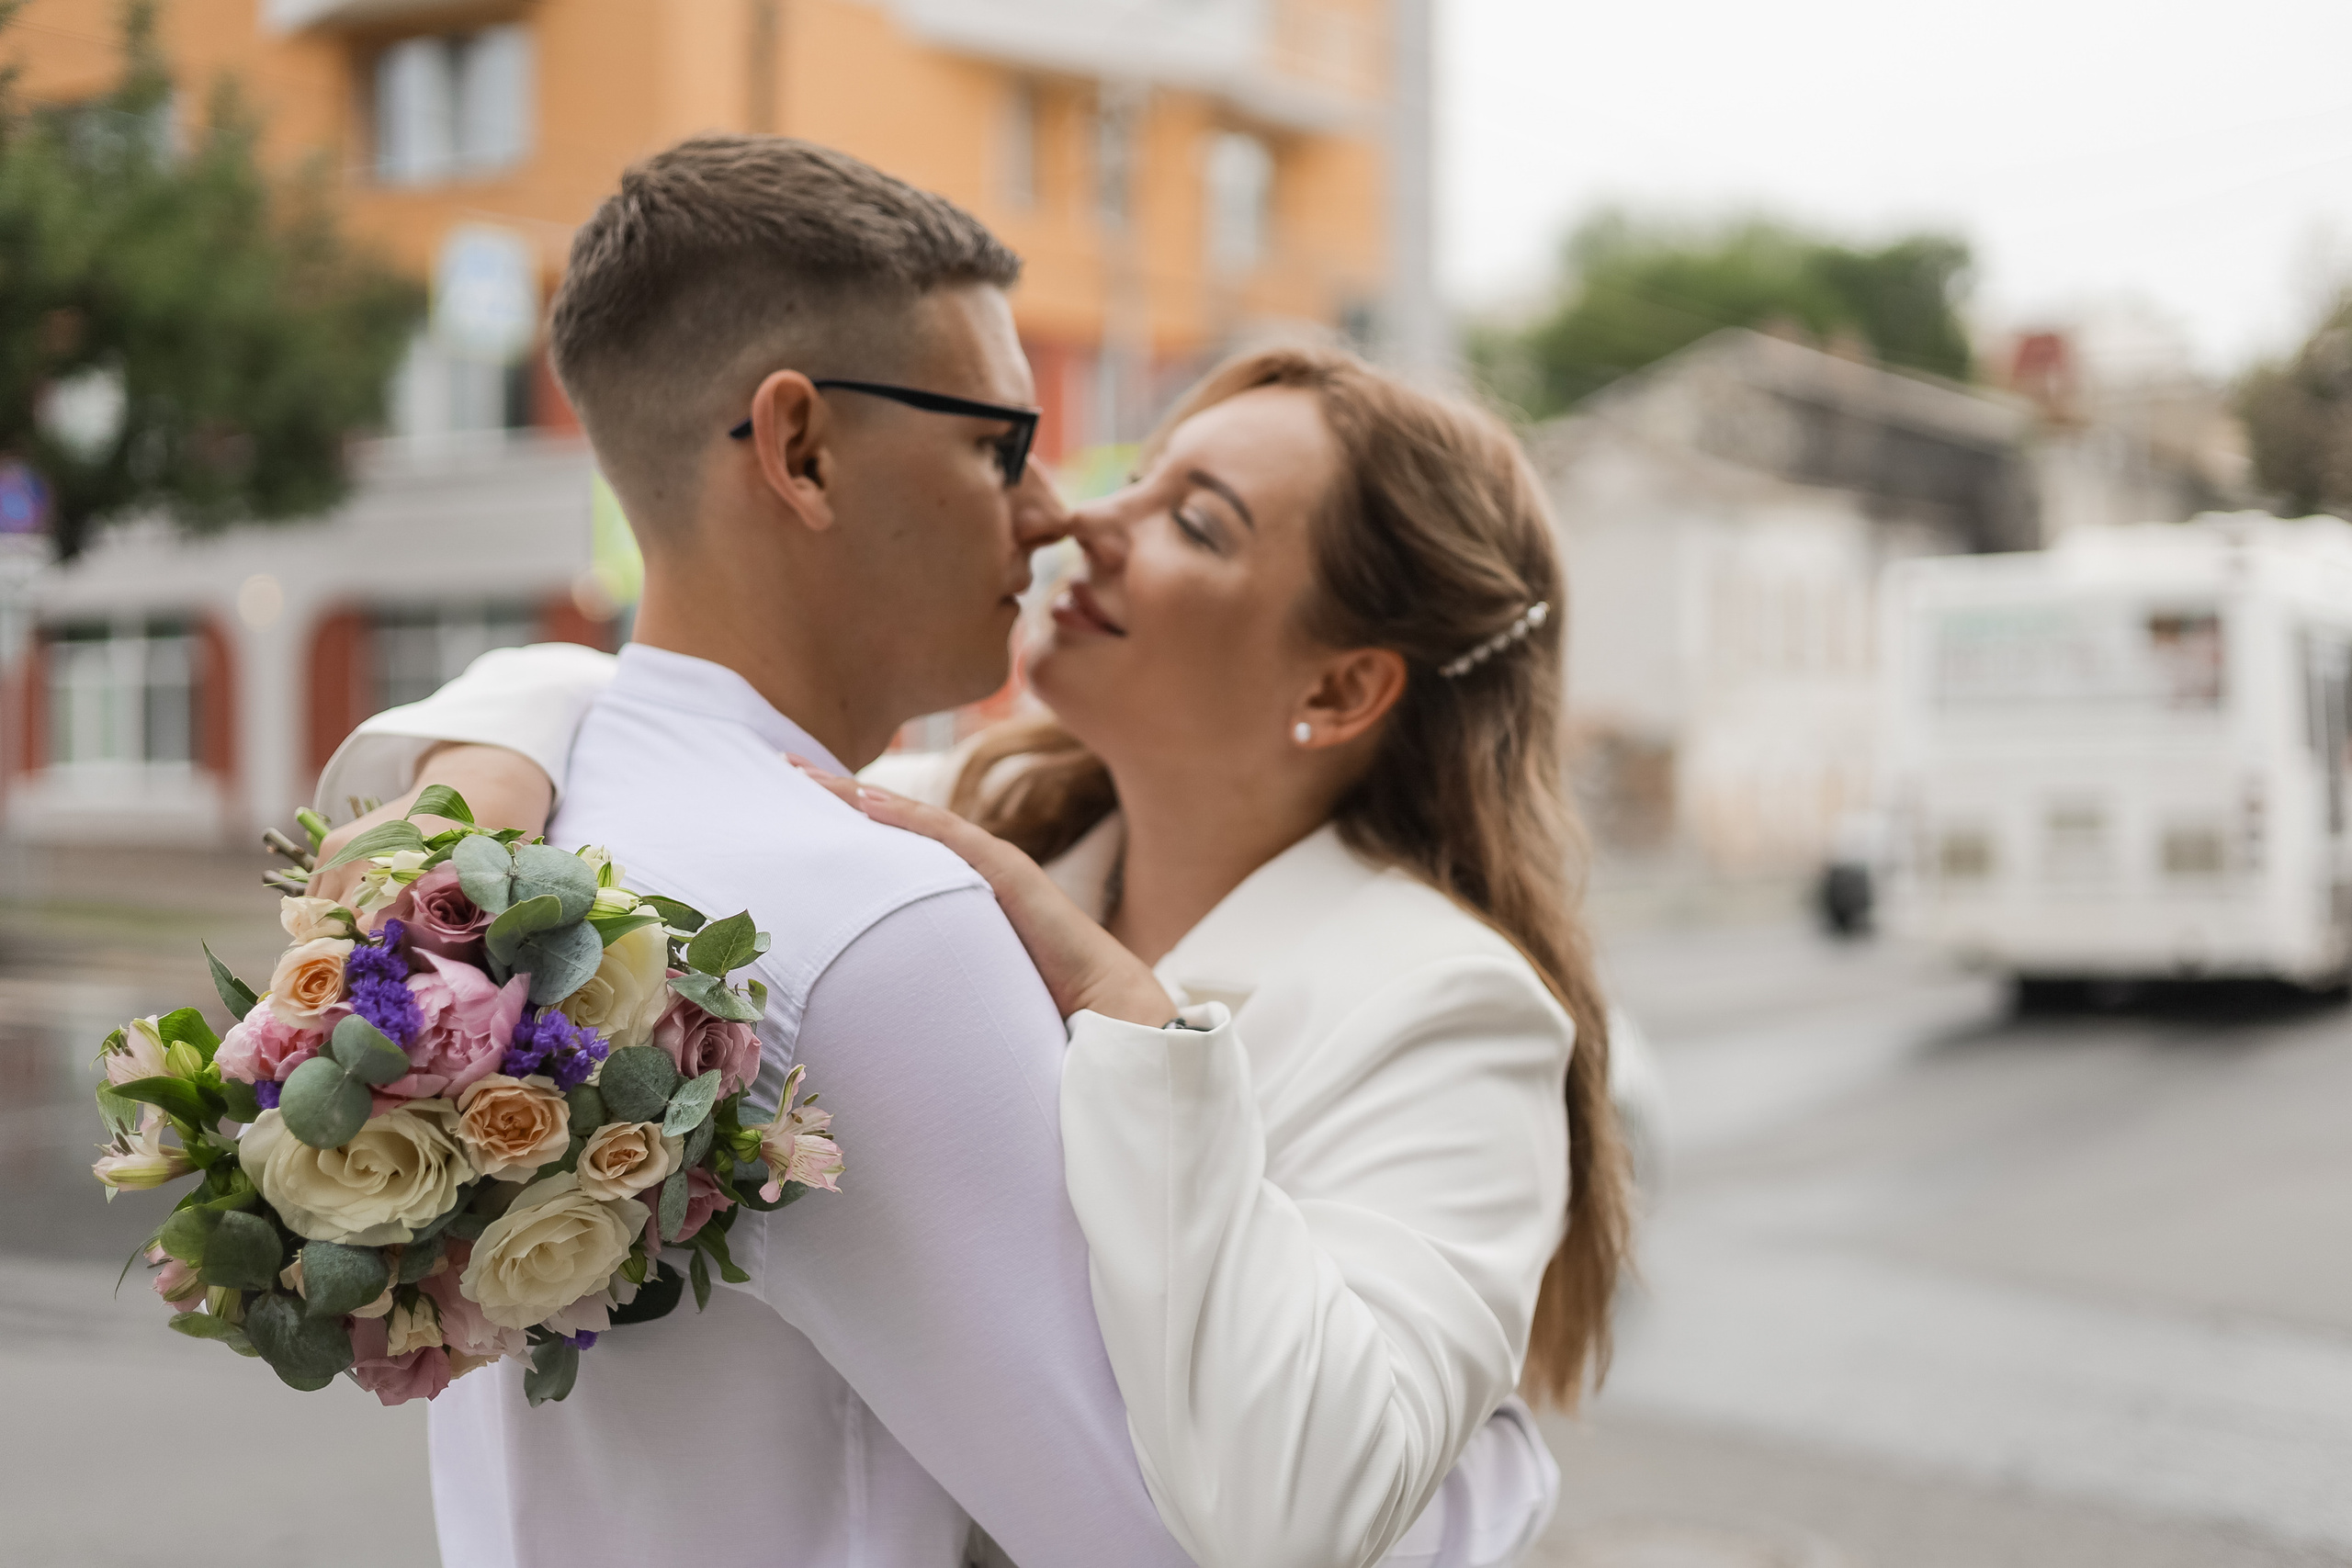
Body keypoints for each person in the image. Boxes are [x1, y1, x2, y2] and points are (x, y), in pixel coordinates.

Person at [313, 138, 1577, 1568]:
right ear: (798, 452)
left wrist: (1474, 1485)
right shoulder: (897, 857)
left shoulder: (1433, 999)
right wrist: (494, 757)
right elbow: (692, 724)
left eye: (1194, 522)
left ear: (1344, 688)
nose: (1080, 516)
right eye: (1010, 450)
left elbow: (1291, 1507)